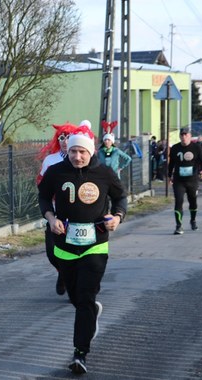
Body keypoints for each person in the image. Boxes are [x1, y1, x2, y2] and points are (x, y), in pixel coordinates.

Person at [38, 126, 127, 375]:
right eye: (74, 151)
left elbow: (120, 198)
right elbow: (43, 196)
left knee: (86, 296)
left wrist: (118, 217)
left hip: (95, 243)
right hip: (65, 245)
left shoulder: (104, 173)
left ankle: (80, 353)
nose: (77, 156)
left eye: (82, 152)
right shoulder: (56, 171)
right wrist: (50, 217)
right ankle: (90, 312)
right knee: (77, 298)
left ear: (90, 152)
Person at [36, 123, 79, 295]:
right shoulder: (50, 160)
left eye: (68, 137)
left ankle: (72, 283)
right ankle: (63, 273)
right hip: (55, 214)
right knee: (52, 252)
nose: (65, 141)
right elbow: (41, 183)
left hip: (76, 214)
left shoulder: (80, 159)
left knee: (73, 252)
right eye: (61, 137)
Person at [167, 127, 202, 235]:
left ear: (190, 136)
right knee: (178, 201)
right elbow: (171, 164)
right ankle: (178, 226)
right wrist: (169, 175)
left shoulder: (196, 147)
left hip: (192, 180)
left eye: (186, 135)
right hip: (179, 180)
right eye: (182, 135)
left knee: (193, 201)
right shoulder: (175, 148)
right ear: (180, 136)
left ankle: (193, 220)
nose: (184, 137)